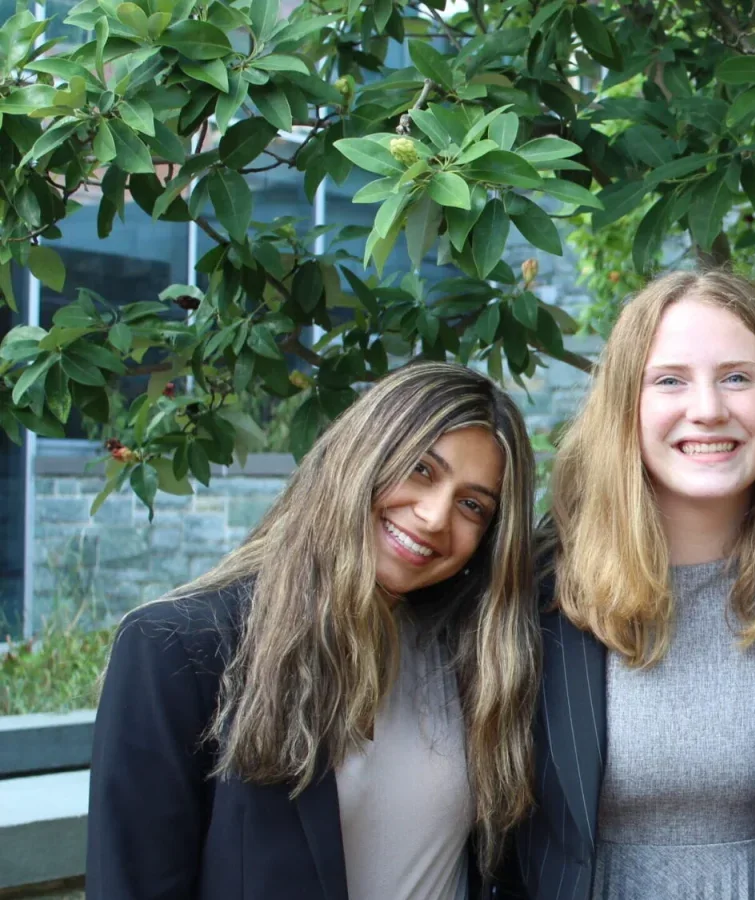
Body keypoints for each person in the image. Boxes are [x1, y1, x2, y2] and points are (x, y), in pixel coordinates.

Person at [87, 361, 542, 900]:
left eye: (473, 505)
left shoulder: (475, 660)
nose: (435, 516)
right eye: (421, 469)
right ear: (361, 456)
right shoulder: (179, 649)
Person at [520, 270, 755, 900]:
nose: (707, 409)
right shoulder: (535, 591)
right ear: (627, 404)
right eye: (670, 380)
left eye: (737, 377)